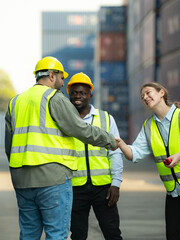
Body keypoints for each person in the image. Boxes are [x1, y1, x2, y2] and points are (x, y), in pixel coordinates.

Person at [4, 56, 117, 240]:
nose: (63, 83)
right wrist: (111, 140)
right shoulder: (54, 98)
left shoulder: (16, 101)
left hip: (22, 180)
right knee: (56, 234)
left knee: (28, 234)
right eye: (61, 77)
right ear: (51, 75)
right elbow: (80, 129)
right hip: (52, 179)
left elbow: (9, 146)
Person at [115, 82, 180, 240]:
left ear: (161, 92)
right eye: (142, 97)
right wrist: (121, 144)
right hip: (175, 191)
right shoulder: (148, 126)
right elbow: (135, 154)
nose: (145, 98)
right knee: (173, 236)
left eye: (148, 93)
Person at [67, 72, 123, 240]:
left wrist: (116, 183)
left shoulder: (106, 119)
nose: (78, 96)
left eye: (82, 93)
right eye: (74, 92)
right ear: (69, 95)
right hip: (75, 187)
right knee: (78, 235)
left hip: (104, 188)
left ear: (90, 95)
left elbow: (115, 152)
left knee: (112, 232)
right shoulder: (64, 120)